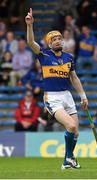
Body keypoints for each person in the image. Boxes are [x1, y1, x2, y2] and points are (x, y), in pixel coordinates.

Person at [25, 8, 88, 169]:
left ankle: (69, 159)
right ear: (49, 43)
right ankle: (68, 159)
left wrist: (83, 96)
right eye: (54, 39)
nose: (58, 41)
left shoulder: (69, 58)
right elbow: (31, 43)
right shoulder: (44, 55)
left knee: (76, 132)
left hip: (67, 96)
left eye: (60, 38)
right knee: (71, 126)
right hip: (52, 97)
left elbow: (74, 78)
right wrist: (30, 26)